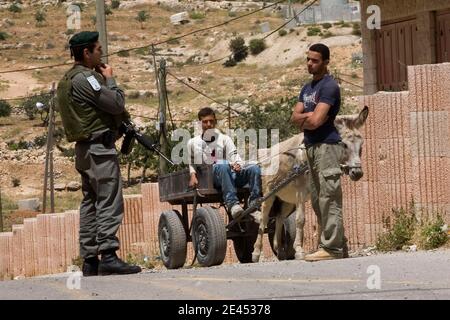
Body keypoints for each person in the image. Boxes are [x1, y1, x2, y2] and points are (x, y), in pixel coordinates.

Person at [57, 31, 141, 276]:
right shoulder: (87, 79)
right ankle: (109, 255)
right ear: (86, 52)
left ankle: (90, 260)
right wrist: (110, 80)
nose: (101, 54)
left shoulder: (68, 79)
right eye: (98, 49)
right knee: (108, 200)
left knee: (91, 203)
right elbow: (116, 103)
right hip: (99, 150)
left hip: (85, 151)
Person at [291, 43, 346, 262]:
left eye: (314, 60)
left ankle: (332, 248)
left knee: (329, 197)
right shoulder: (306, 89)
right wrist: (305, 118)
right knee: (316, 198)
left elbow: (315, 121)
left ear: (325, 62)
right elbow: (294, 118)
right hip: (311, 146)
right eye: (308, 59)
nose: (310, 64)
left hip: (327, 146)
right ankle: (332, 243)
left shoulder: (329, 87)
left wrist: (305, 117)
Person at [188, 107, 262, 220]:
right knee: (222, 165)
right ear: (200, 123)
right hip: (212, 178)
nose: (208, 124)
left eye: (211, 121)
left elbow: (234, 155)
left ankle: (254, 205)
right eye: (205, 121)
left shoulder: (224, 139)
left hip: (231, 174)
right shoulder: (193, 142)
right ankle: (232, 204)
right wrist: (193, 175)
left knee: (254, 168)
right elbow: (191, 162)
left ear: (215, 122)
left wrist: (237, 164)